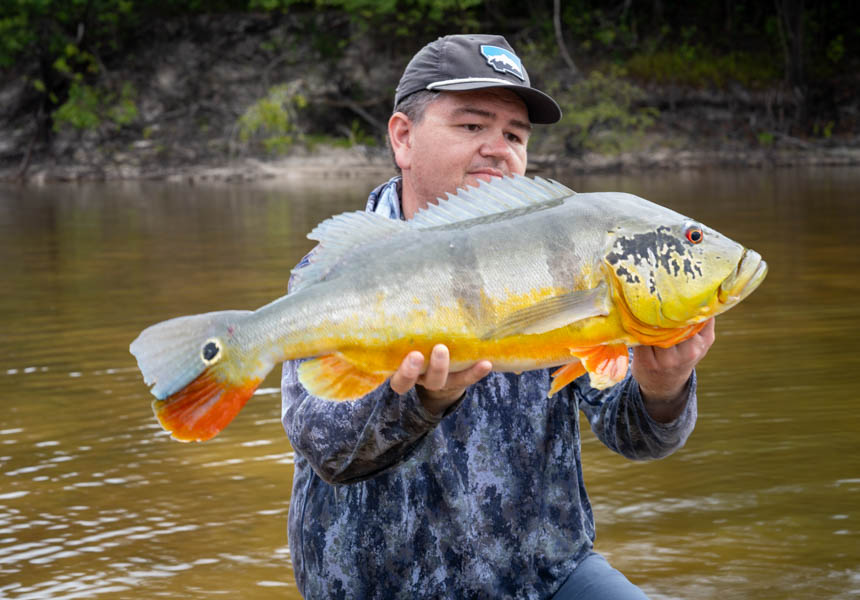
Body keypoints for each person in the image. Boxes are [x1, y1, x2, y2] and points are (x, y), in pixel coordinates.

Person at [281, 34, 715, 599]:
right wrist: (420, 401)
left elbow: (636, 437)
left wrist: (663, 389)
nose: (498, 148)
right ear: (403, 137)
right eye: (472, 126)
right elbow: (329, 448)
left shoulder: (568, 256)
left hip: (548, 576)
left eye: (514, 134)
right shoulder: (336, 272)